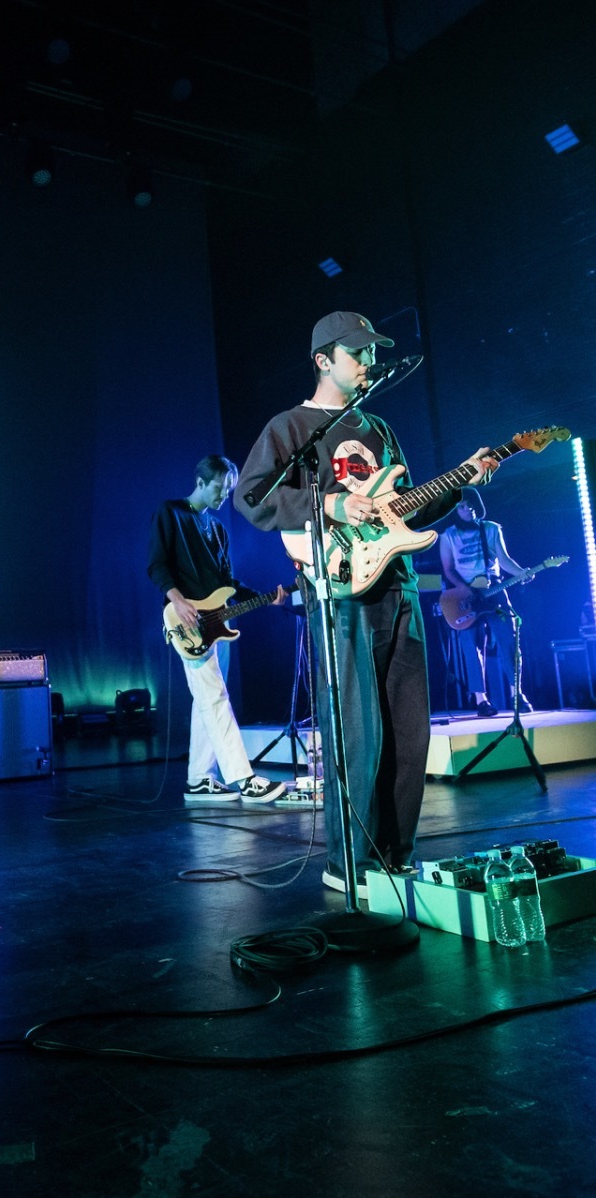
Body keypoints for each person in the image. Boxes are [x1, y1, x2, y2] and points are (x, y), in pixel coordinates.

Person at [235, 311, 497, 897]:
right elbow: (251, 498)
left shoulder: (377, 426)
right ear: (323, 360)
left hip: (396, 586)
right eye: (358, 353)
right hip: (338, 589)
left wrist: (461, 483)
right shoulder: (291, 427)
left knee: (408, 729)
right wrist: (328, 507)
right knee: (356, 729)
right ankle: (350, 860)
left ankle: (397, 854)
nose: (370, 363)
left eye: (373, 352)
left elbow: (406, 509)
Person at [148, 455, 290, 804]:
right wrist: (178, 600)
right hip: (187, 622)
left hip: (219, 622)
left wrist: (264, 597)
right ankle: (244, 778)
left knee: (206, 700)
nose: (223, 496)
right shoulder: (171, 513)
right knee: (214, 697)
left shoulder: (219, 529)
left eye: (228, 490)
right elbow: (156, 564)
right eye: (218, 488)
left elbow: (227, 582)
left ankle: (199, 778)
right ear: (200, 482)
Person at [438, 486, 529, 716]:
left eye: (470, 504)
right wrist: (465, 590)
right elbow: (448, 569)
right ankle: (481, 700)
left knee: (509, 640)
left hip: (494, 591)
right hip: (465, 597)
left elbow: (504, 559)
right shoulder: (448, 536)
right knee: (471, 647)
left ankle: (516, 693)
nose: (467, 509)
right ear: (455, 511)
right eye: (461, 507)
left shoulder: (491, 529)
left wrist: (520, 572)